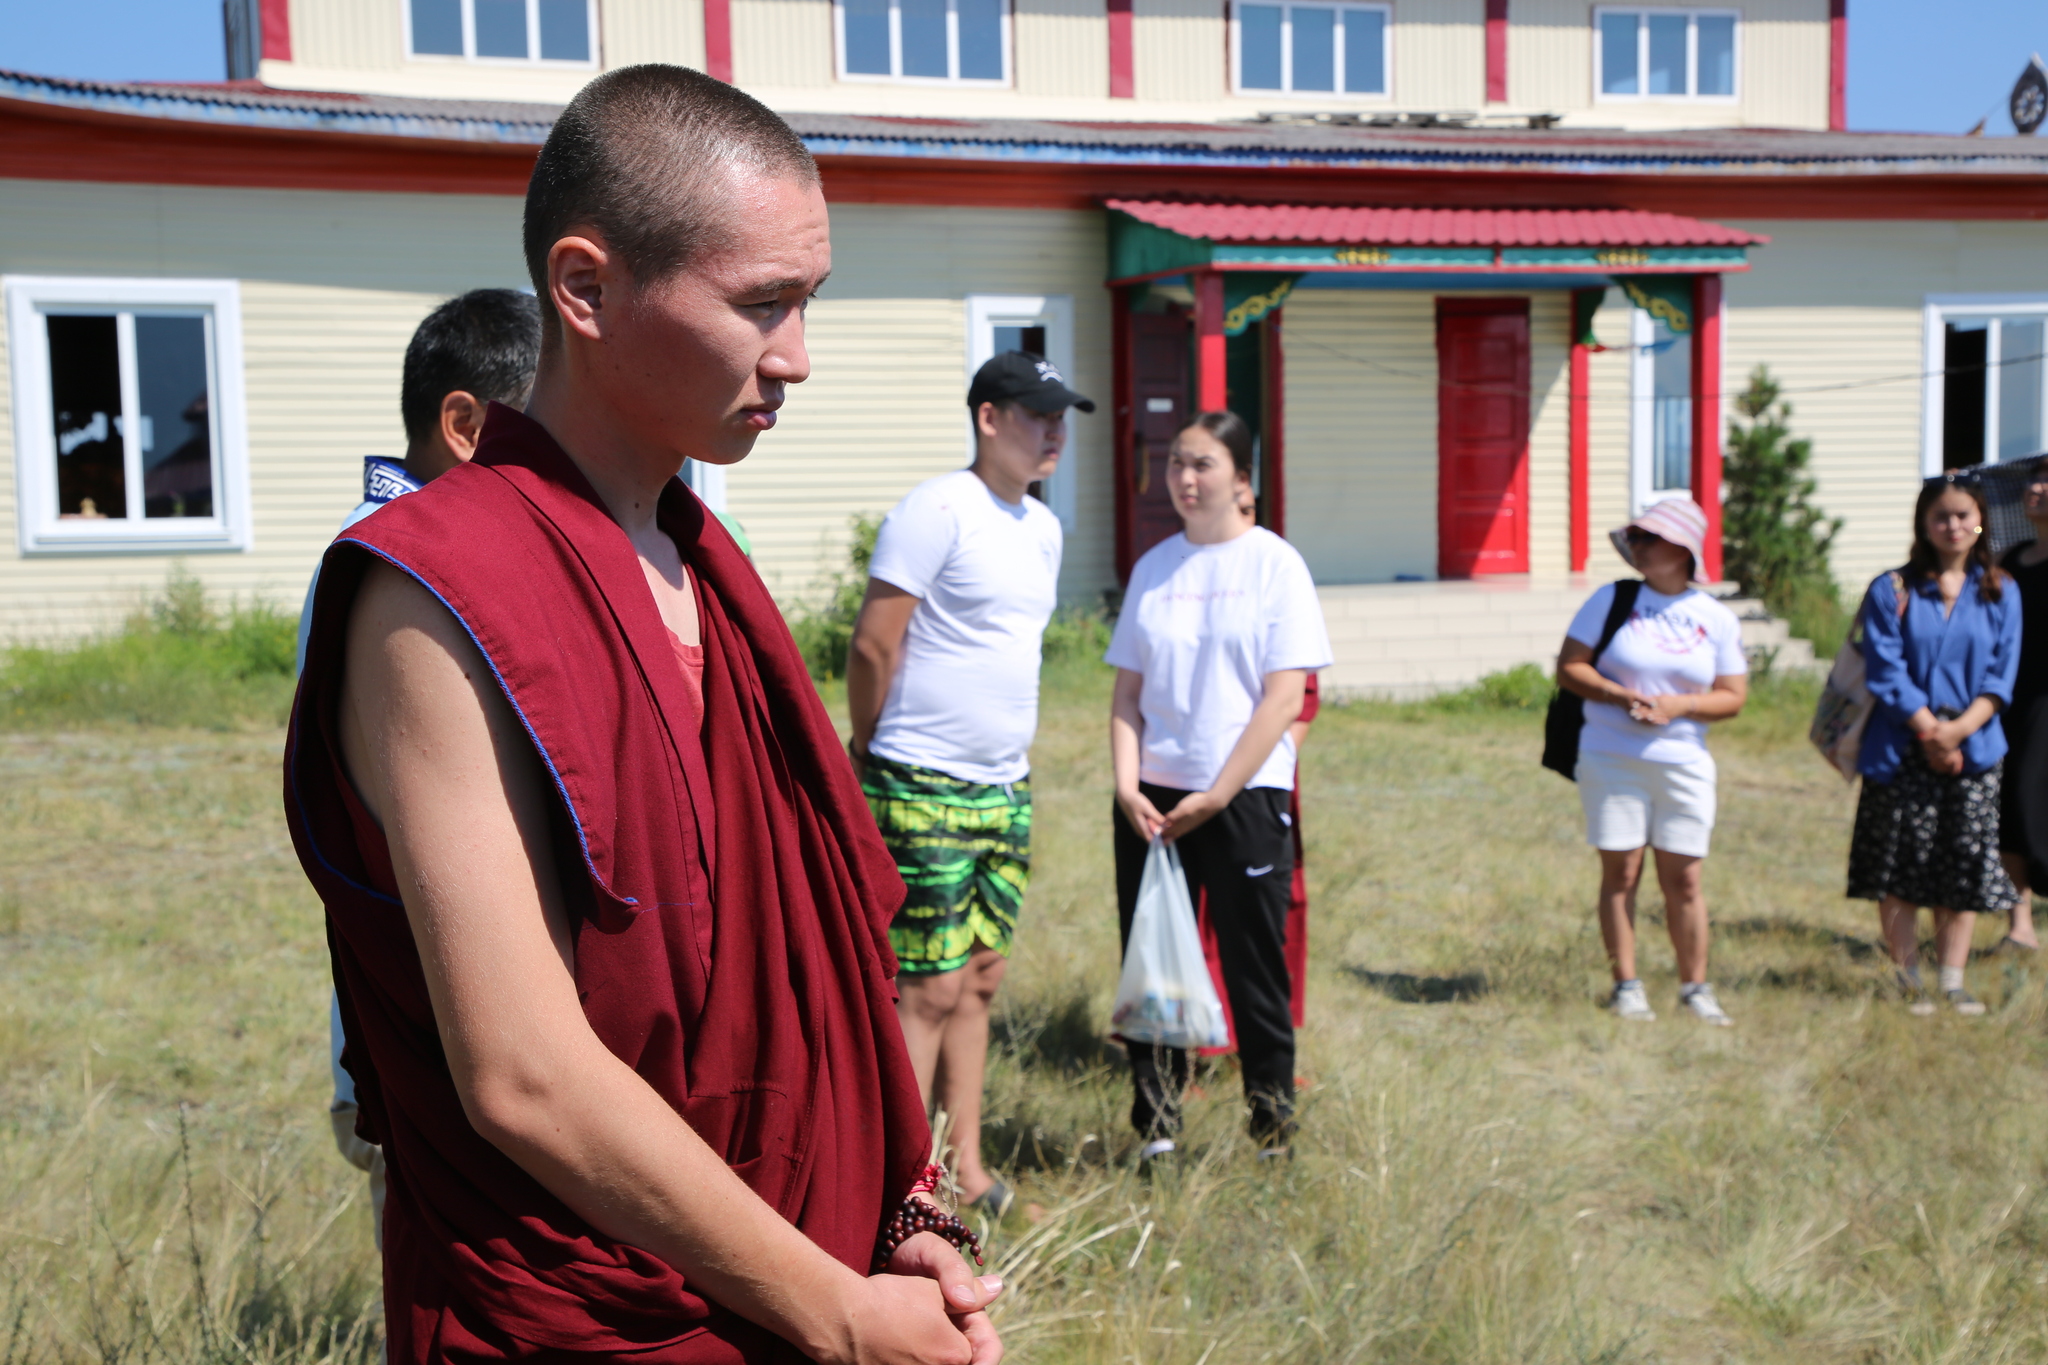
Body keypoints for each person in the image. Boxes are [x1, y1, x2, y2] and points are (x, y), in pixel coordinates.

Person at [284, 66, 1001, 1365]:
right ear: (586, 288)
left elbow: (804, 977)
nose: (796, 355)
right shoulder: (435, 597)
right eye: (760, 304)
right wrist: (838, 1313)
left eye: (808, 303)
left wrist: (888, 1211)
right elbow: (524, 1072)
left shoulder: (701, 569)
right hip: (589, 1307)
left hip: (789, 1269)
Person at [297, 287, 544, 1252]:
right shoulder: (400, 577)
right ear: (465, 426)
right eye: (547, 437)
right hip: (430, 1028)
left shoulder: (436, 557)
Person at [846, 351, 1091, 1219]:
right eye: (1039, 413)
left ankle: (967, 1169)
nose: (1056, 430)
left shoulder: (1043, 527)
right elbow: (876, 643)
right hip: (920, 779)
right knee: (926, 987)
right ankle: (900, 1191)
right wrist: (876, 750)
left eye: (1063, 415)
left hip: (1004, 788)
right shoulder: (937, 509)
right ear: (990, 418)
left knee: (980, 978)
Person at [1105, 410, 1332, 1163]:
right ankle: (1158, 1131)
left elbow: (1283, 694)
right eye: (1175, 462)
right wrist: (1127, 784)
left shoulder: (1275, 564)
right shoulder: (1154, 567)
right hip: (1154, 803)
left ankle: (1272, 1131)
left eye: (1202, 464)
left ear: (1243, 479)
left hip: (1244, 797)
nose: (1184, 478)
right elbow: (1128, 694)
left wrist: (1221, 791)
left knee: (1253, 965)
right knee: (1154, 961)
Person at [1555, 498, 1748, 1026]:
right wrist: (1621, 698)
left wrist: (1679, 706)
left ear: (1682, 549)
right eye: (1634, 538)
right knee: (1622, 870)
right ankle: (1627, 985)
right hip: (1611, 755)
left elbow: (1732, 696)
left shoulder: (1715, 618)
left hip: (1684, 760)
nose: (1637, 548)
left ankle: (1695, 987)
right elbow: (1570, 667)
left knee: (1683, 879)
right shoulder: (1612, 600)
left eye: (1648, 538)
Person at [1849, 474, 2021, 1016]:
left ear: (1981, 522)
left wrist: (1958, 731)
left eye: (1963, 515)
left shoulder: (2000, 589)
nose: (1953, 526)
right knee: (1900, 863)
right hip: (1902, 745)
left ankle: (1952, 979)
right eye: (1941, 516)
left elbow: (2001, 676)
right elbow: (1885, 668)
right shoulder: (1891, 589)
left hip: (1975, 747)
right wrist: (1931, 731)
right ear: (1924, 523)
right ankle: (1907, 978)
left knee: (1961, 863)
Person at [1995, 458, 2048, 954]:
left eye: (2047, 480)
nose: (2036, 487)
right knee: (2013, 806)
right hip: (2014, 700)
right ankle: (2021, 926)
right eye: (2034, 478)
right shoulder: (2011, 561)